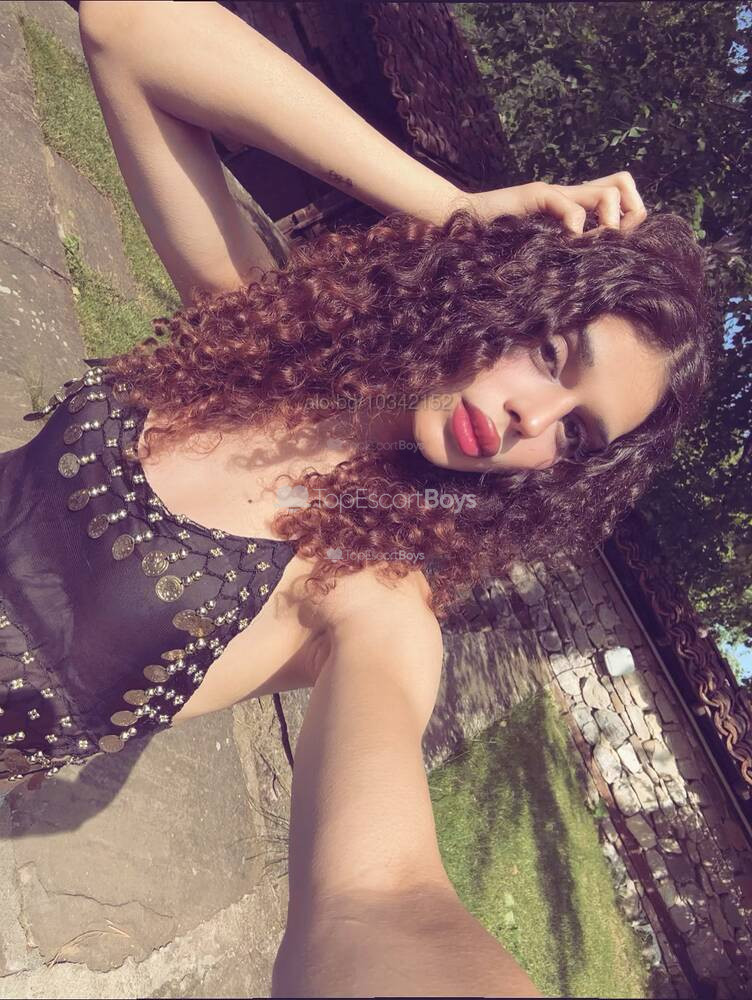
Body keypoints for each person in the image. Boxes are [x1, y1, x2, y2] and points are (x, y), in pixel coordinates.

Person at [0, 2, 715, 994]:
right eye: (552, 352)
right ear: (505, 290)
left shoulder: (371, 599)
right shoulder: (263, 346)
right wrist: (461, 209)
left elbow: (380, 898)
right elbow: (131, 29)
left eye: (575, 434)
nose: (533, 418)